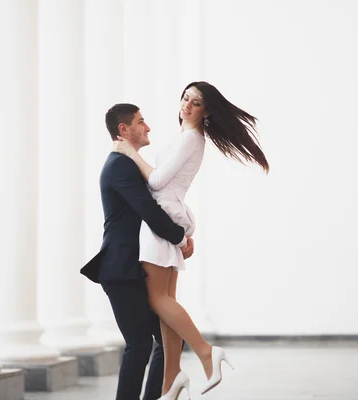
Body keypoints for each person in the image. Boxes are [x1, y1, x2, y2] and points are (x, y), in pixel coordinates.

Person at [113, 81, 269, 399]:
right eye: (185, 97)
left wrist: (129, 152)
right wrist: (186, 227)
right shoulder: (191, 139)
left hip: (160, 222)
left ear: (206, 110)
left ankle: (206, 352)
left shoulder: (190, 139)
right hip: (170, 218)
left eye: (196, 102)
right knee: (167, 302)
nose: (187, 104)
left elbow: (157, 182)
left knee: (157, 301)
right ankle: (171, 380)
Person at [80, 103, 195, 400]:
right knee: (141, 344)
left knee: (167, 339)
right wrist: (181, 239)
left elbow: (163, 197)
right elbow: (149, 211)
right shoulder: (120, 166)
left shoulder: (128, 163)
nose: (148, 127)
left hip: (134, 267)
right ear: (124, 129)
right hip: (120, 269)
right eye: (141, 122)